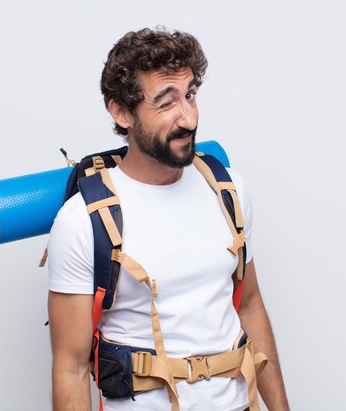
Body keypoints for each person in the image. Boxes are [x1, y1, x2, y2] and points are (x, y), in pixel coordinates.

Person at [47, 28, 290, 411]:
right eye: (166, 102)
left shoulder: (227, 190)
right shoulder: (81, 221)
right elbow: (71, 369)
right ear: (121, 112)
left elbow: (250, 306)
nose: (189, 119)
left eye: (190, 94)